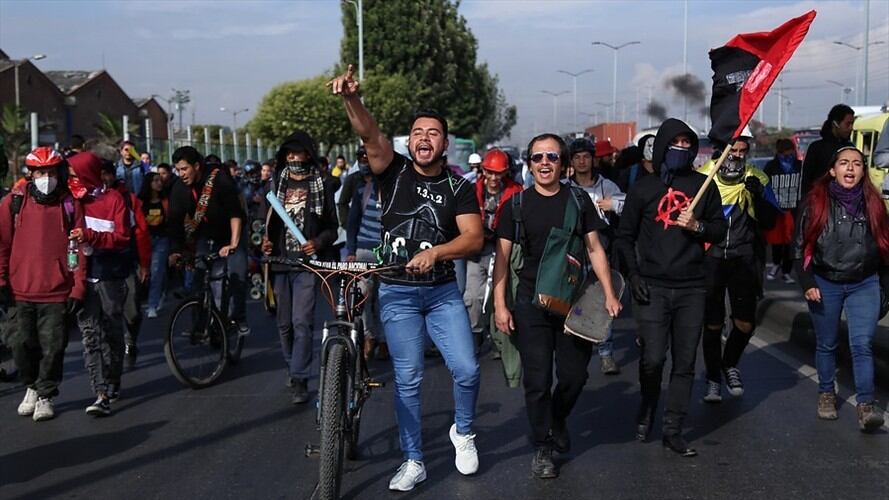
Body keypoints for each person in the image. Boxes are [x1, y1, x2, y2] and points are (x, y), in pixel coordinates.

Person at [330, 64, 483, 491]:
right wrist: (350, 98)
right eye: (418, 132)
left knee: (467, 370)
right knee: (409, 377)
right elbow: (369, 133)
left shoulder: (459, 189)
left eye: (432, 133)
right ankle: (414, 460)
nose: (424, 139)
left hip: (441, 293)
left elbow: (473, 239)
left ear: (444, 143)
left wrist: (437, 251)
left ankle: (463, 431)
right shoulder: (392, 171)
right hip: (397, 293)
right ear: (409, 140)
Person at [493, 134, 621, 478]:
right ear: (530, 164)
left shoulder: (579, 202)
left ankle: (558, 417)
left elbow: (595, 249)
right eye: (537, 158)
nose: (544, 163)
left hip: (572, 302)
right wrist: (499, 306)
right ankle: (543, 444)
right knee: (537, 380)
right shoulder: (515, 206)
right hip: (530, 303)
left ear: (563, 164)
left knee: (575, 377)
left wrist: (609, 293)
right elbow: (501, 261)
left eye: (551, 157)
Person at [614, 118, 727, 457]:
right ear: (662, 146)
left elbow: (720, 229)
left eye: (686, 143)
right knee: (651, 358)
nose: (681, 149)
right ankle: (648, 403)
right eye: (674, 143)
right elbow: (624, 237)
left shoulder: (704, 185)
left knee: (685, 362)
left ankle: (673, 429)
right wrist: (633, 276)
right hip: (652, 287)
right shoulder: (644, 189)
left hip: (692, 287)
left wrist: (699, 226)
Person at [793, 146, 888, 432]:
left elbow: (886, 250)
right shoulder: (814, 202)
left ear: (863, 170)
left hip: (864, 282)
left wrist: (885, 289)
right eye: (844, 163)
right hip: (825, 281)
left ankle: (866, 406)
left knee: (862, 344)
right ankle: (826, 393)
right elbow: (799, 249)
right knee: (827, 343)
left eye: (857, 164)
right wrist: (808, 283)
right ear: (832, 170)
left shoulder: (875, 204)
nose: (850, 169)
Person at [0, 147, 86, 422]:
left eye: (50, 172)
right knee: (20, 344)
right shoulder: (12, 203)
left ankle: (46, 394)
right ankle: (31, 387)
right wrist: (1, 280)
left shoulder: (70, 203)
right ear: (30, 174)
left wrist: (77, 286)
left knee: (53, 347)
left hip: (57, 291)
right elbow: (2, 245)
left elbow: (78, 248)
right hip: (19, 290)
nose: (45, 178)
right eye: (40, 172)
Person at [697, 138, 778, 403]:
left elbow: (770, 221)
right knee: (712, 323)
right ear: (721, 151)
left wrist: (757, 196)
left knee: (745, 324)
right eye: (734, 151)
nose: (738, 157)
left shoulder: (758, 178)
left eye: (744, 152)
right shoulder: (702, 177)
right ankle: (712, 379)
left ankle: (729, 363)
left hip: (744, 257)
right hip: (711, 258)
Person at [261, 130, 338, 404]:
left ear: (308, 155)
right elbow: (263, 224)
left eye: (298, 153)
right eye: (288, 154)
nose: (293, 158)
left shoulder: (322, 185)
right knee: (284, 325)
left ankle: (300, 378)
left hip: (306, 267)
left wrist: (317, 242)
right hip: (280, 264)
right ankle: (292, 364)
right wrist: (265, 243)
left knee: (302, 322)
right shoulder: (274, 186)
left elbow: (332, 227)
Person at [67, 152, 132, 417]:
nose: (69, 180)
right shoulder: (70, 203)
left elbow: (122, 237)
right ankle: (101, 392)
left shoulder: (114, 200)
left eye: (73, 175)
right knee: (90, 337)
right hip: (82, 280)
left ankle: (114, 379)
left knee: (112, 333)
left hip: (110, 278)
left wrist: (91, 236)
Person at [167, 147, 250, 336]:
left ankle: (239, 317)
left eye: (185, 169)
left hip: (231, 232)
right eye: (178, 170)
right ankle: (200, 324)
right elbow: (174, 222)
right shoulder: (179, 188)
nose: (181, 174)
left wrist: (234, 244)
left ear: (196, 166)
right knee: (199, 277)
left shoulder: (219, 178)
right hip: (205, 235)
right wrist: (176, 250)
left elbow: (235, 213)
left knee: (237, 273)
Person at [567, 137, 625, 374]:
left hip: (600, 250)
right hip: (572, 254)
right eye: (577, 157)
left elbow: (628, 205)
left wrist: (613, 205)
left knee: (602, 300)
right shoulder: (564, 187)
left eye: (586, 157)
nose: (582, 161)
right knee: (571, 301)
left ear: (593, 160)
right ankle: (573, 348)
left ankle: (605, 352)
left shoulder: (607, 186)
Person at [464, 149, 522, 355]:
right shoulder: (472, 190)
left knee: (500, 294)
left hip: (503, 248)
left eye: (498, 173)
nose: (494, 178)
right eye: (490, 172)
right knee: (473, 296)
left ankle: (499, 336)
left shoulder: (516, 192)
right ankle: (476, 332)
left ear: (505, 173)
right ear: (483, 171)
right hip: (477, 248)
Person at [102, 162, 151, 364]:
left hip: (127, 262)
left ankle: (130, 340)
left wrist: (144, 264)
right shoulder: (89, 200)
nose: (103, 179)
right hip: (102, 266)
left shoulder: (128, 199)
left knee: (132, 311)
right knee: (108, 312)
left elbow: (141, 233)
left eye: (106, 174)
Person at [344, 153, 387, 361]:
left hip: (387, 255)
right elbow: (352, 223)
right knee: (362, 297)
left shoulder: (393, 191)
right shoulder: (361, 191)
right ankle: (370, 337)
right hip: (363, 252)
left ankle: (384, 341)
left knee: (384, 299)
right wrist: (351, 251)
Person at [763, 138, 803, 283]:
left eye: (790, 151)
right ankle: (775, 265)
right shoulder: (771, 166)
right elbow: (765, 186)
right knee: (776, 242)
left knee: (790, 243)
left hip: (793, 211)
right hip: (776, 211)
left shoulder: (800, 166)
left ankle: (786, 271)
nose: (788, 154)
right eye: (785, 151)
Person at [800, 104, 854, 200]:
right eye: (847, 124)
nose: (851, 128)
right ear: (835, 124)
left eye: (852, 124)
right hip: (820, 203)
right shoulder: (816, 148)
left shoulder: (850, 148)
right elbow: (806, 181)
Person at [138, 172, 170, 318]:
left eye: (160, 180)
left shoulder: (165, 201)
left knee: (156, 271)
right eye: (155, 180)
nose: (159, 183)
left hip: (161, 239)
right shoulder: (141, 202)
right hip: (145, 239)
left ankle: (152, 304)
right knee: (144, 271)